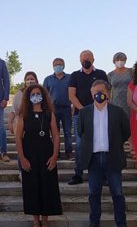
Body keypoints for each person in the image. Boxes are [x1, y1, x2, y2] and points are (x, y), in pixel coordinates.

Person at [78, 80, 132, 227]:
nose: (97, 94)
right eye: (94, 91)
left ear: (108, 93)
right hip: (93, 158)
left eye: (101, 91)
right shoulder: (84, 112)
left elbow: (125, 132)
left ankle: (122, 224)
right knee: (94, 193)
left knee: (117, 193)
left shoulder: (118, 112)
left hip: (112, 157)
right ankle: (94, 222)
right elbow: (81, 133)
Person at [15, 84, 62, 227]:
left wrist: (55, 156)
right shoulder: (24, 114)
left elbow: (55, 135)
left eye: (38, 93)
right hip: (30, 155)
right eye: (33, 94)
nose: (36, 96)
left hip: (46, 154)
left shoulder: (49, 113)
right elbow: (18, 137)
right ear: (28, 97)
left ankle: (46, 221)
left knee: (47, 187)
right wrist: (22, 158)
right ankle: (36, 221)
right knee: (32, 187)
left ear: (43, 96)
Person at [67, 50, 108, 185]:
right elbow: (72, 95)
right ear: (80, 60)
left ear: (93, 59)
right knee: (80, 145)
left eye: (88, 58)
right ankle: (78, 174)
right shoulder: (74, 75)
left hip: (100, 114)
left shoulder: (101, 74)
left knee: (100, 143)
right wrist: (84, 110)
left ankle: (103, 175)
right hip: (81, 115)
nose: (85, 61)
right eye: (83, 59)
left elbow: (107, 93)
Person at [43, 58, 73, 160]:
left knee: (68, 132)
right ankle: (56, 152)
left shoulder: (70, 78)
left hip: (67, 108)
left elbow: (73, 93)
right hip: (53, 109)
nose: (58, 66)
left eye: (60, 64)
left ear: (64, 65)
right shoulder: (48, 79)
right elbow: (44, 95)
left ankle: (69, 152)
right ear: (53, 66)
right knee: (54, 132)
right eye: (56, 64)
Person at [9, 72, 39, 139]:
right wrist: (10, 122)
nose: (30, 81)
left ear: (36, 80)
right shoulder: (20, 93)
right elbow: (14, 110)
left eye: (32, 79)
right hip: (23, 121)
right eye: (27, 79)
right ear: (25, 81)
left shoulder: (40, 92)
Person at [107, 52, 132, 120]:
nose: (119, 61)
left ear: (125, 60)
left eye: (121, 59)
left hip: (130, 103)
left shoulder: (131, 72)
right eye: (117, 59)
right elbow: (108, 89)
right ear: (114, 61)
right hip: (115, 103)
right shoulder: (110, 75)